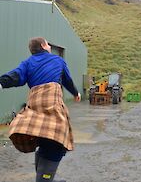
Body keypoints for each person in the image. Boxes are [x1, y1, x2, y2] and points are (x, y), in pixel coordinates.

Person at [0, 37, 81, 182]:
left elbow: (15, 76)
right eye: (48, 44)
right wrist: (76, 93)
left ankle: (44, 177)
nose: (49, 46)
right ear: (43, 46)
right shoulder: (57, 60)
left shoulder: (27, 63)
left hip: (35, 115)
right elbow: (67, 80)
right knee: (55, 144)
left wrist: (1, 83)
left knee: (44, 143)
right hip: (53, 113)